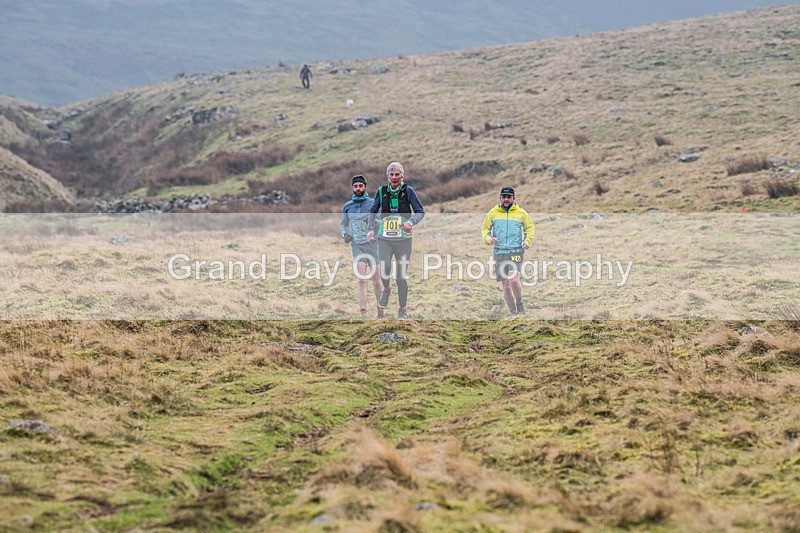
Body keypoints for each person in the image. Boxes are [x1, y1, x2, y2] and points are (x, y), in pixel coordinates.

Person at [367, 162, 425, 319]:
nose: (394, 177)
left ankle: (402, 309)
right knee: (384, 269)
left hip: (404, 240)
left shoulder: (408, 191)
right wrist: (371, 229)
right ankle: (386, 289)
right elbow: (372, 211)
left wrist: (410, 222)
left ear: (402, 176)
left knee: (401, 277)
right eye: (391, 174)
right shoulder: (381, 191)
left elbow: (420, 211)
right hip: (385, 239)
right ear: (387, 176)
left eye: (397, 174)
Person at [481, 186, 535, 314]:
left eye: (509, 197)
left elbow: (530, 227)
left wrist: (527, 241)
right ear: (500, 198)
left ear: (513, 198)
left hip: (515, 251)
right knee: (506, 287)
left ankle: (520, 303)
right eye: (504, 197)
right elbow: (485, 229)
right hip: (499, 253)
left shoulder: (521, 213)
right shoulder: (493, 213)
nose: (506, 199)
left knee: (514, 280)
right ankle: (514, 313)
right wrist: (488, 239)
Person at [340, 175, 384, 317]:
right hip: (357, 245)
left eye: (360, 186)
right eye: (355, 186)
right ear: (352, 188)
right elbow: (343, 223)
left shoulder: (373, 204)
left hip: (373, 245)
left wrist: (371, 222)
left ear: (365, 187)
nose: (358, 189)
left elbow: (381, 223)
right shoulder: (348, 206)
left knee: (376, 281)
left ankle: (380, 312)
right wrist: (345, 234)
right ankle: (363, 313)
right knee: (361, 279)